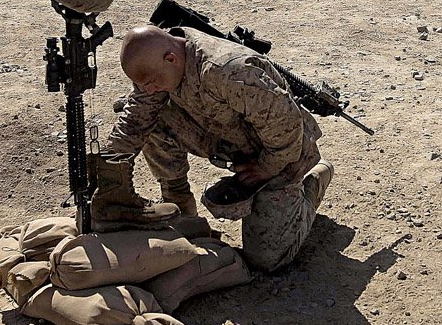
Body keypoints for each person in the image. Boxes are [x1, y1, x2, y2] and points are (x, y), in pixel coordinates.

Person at [102, 25, 333, 273]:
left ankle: (313, 183)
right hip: (227, 139)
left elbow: (285, 125)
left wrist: (267, 167)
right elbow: (137, 116)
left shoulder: (227, 71)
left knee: (267, 259)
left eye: (151, 83)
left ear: (171, 58)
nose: (147, 90)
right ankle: (177, 198)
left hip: (281, 151)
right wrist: (106, 169)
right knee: (151, 119)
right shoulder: (163, 64)